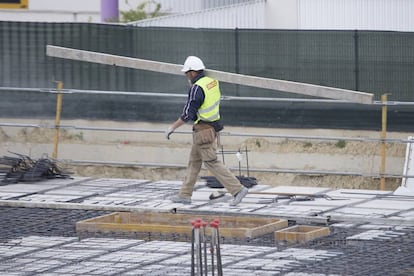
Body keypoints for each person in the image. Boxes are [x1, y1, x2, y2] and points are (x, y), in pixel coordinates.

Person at [165, 56, 248, 206]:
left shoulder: (197, 88)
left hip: (203, 131)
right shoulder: (212, 82)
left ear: (192, 72)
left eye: (186, 73)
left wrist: (172, 128)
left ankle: (237, 190)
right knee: (194, 162)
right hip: (209, 128)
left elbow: (187, 114)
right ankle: (184, 194)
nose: (186, 76)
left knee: (212, 162)